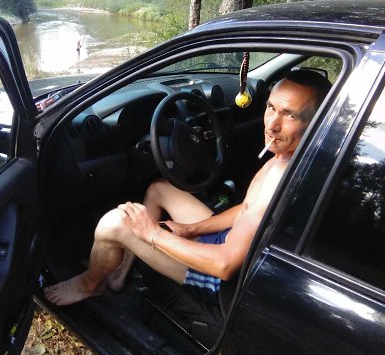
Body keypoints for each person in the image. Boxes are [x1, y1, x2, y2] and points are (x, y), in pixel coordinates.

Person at [45, 69, 332, 308]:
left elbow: (224, 266)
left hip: (221, 278)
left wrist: (152, 233)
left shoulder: (284, 177)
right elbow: (247, 209)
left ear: (316, 121)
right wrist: (192, 229)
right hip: (231, 241)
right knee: (159, 188)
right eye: (271, 108)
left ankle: (90, 284)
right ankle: (120, 273)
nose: (272, 125)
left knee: (115, 223)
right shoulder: (291, 157)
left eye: (289, 115)